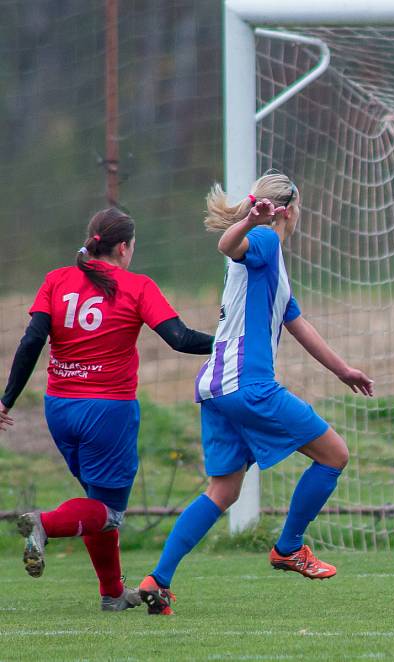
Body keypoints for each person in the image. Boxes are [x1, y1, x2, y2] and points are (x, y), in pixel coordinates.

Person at [138, 172, 374, 616]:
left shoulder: (273, 262)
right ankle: (289, 547)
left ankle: (159, 580)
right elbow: (227, 245)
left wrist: (343, 370)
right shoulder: (264, 242)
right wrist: (250, 221)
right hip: (248, 385)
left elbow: (296, 323)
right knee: (334, 455)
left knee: (223, 491)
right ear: (289, 209)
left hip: (215, 387)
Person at [0, 207, 214, 611]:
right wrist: (231, 341)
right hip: (107, 411)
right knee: (110, 511)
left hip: (59, 408)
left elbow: (31, 342)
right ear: (123, 247)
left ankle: (113, 595)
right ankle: (44, 523)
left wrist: (6, 399)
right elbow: (181, 339)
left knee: (96, 502)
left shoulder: (56, 280)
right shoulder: (136, 286)